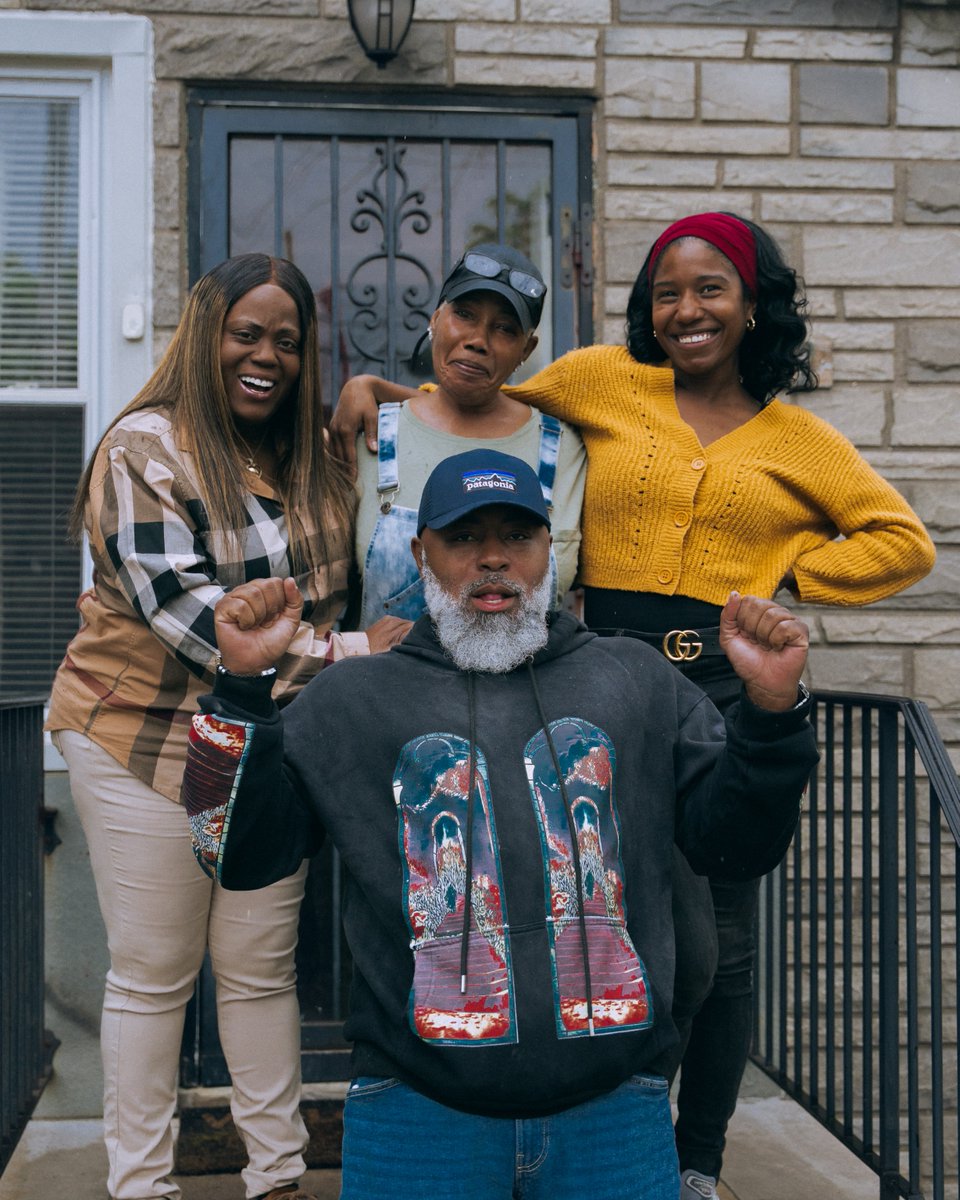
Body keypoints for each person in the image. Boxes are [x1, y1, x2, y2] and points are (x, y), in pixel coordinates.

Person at [328, 211, 936, 1198]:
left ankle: (693, 1161)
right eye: (667, 291)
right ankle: (617, 1116)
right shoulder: (607, 382)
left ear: (751, 304)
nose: (686, 309)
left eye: (710, 289)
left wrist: (789, 577)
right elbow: (484, 397)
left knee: (719, 948)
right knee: (614, 914)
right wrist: (379, 391)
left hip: (724, 687)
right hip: (604, 681)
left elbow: (901, 541)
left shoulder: (799, 437)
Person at [182, 449, 819, 1200]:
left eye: (517, 536)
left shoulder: (637, 680)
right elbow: (235, 852)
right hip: (416, 1117)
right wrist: (241, 693)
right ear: (422, 554)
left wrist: (772, 716)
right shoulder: (353, 697)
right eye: (464, 538)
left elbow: (736, 845)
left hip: (614, 1112)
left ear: (551, 549)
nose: (492, 559)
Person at [46, 253, 407, 1200]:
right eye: (245, 333)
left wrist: (377, 385)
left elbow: (474, 394)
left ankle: (278, 1177)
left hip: (267, 745)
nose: (266, 355)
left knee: (257, 968)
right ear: (205, 336)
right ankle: (142, 1185)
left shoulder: (311, 459)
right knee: (157, 970)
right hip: (143, 734)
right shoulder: (143, 450)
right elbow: (203, 627)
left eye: (288, 341)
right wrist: (361, 654)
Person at [352, 242, 584, 628]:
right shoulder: (372, 437)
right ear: (436, 318)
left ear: (527, 349)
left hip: (526, 687)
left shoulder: (565, 451)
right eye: (464, 314)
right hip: (386, 684)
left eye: (505, 328)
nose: (478, 340)